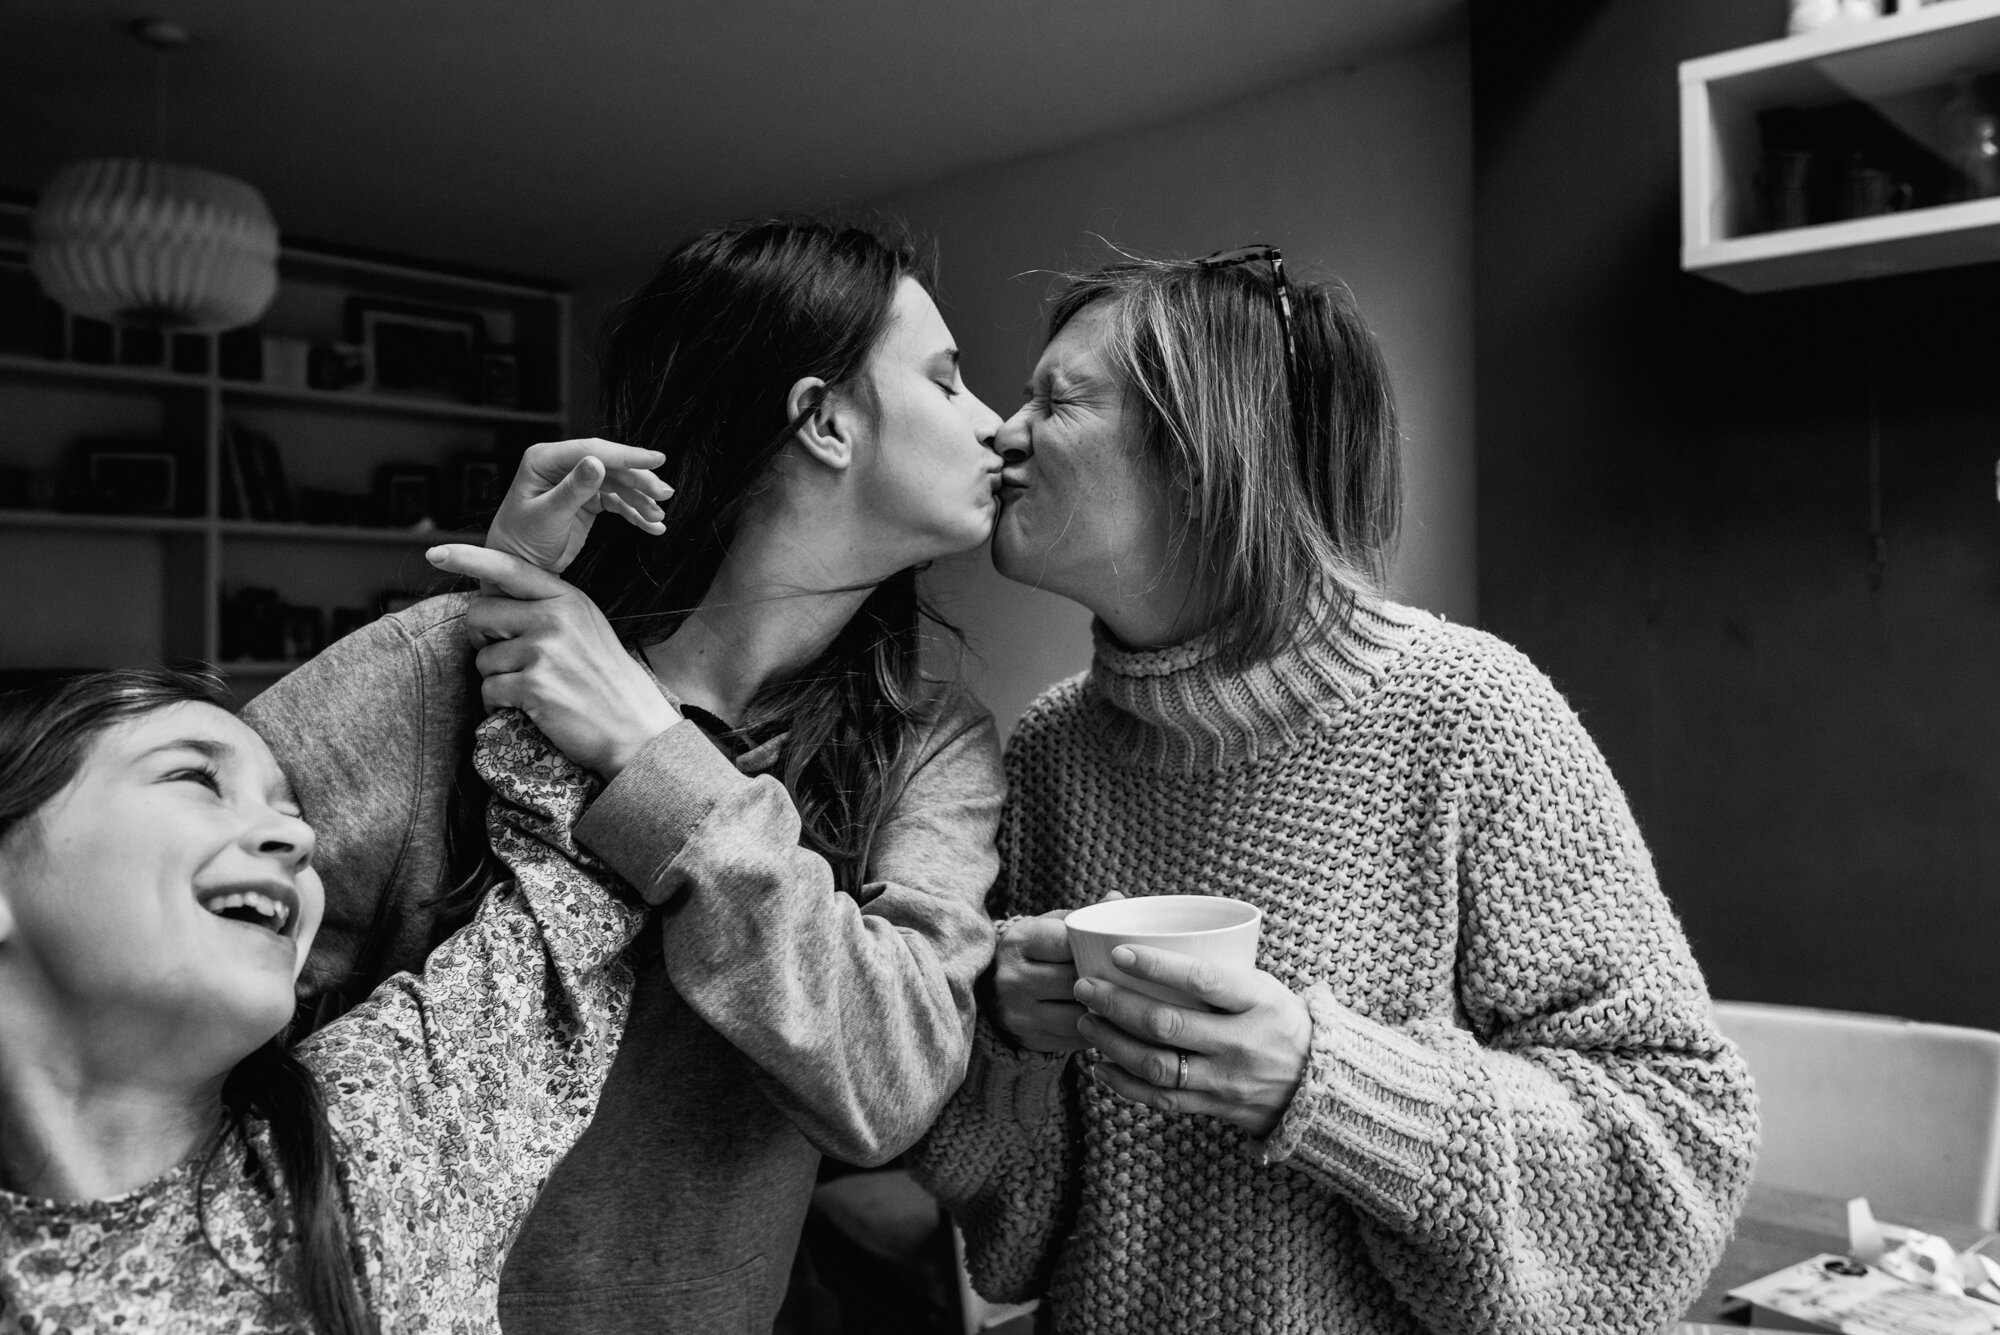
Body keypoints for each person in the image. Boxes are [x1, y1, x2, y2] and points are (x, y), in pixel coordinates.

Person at [907, 248, 1760, 1334]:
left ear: (1205, 450)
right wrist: (1010, 1047)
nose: (1000, 431)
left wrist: (1326, 1084)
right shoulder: (1046, 754)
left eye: (1057, 400)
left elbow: (1676, 1152)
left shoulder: (1467, 710)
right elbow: (1014, 1244)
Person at [243, 216, 1009, 1333]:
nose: (995, 425)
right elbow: (139, 921)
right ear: (825, 420)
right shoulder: (454, 662)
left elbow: (886, 1084)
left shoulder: (929, 742)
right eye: (947, 383)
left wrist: (652, 756)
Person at [0, 667, 653, 1330]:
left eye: (293, 815)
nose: (303, 840)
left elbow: (575, 874)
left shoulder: (387, 1131)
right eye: (195, 778)